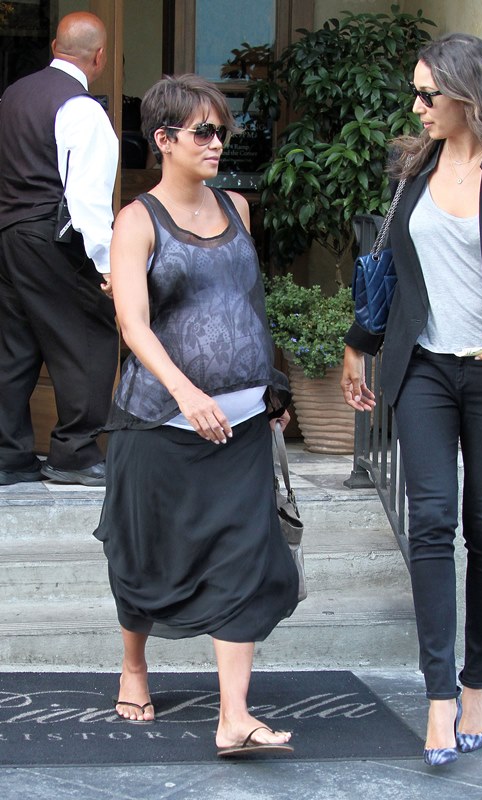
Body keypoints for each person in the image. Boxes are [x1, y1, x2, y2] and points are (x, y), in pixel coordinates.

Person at [342, 34, 482, 766]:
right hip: (425, 370)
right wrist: (358, 344)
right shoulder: (414, 166)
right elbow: (389, 269)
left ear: (470, 93)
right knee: (432, 523)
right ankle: (439, 694)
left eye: (427, 94)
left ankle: (477, 683)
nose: (417, 106)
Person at [93, 74, 299, 756]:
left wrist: (272, 392)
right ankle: (134, 665)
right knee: (144, 553)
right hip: (160, 424)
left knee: (244, 557)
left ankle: (234, 716)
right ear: (164, 139)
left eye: (222, 131)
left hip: (241, 429)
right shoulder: (136, 221)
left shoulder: (237, 207)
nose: (218, 143)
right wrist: (186, 392)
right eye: (204, 132)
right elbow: (133, 323)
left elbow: (246, 307)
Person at [0, 12, 119, 487]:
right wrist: (108, 265)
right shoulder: (81, 107)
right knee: (89, 333)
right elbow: (87, 198)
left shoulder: (12, 95)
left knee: (15, 344)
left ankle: (8, 455)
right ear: (100, 57)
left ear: (55, 46)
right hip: (51, 236)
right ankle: (74, 453)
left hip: (8, 234)